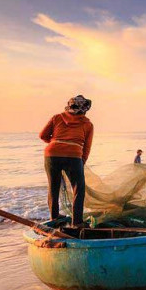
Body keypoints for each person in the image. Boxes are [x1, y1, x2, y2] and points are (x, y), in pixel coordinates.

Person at [39, 95, 94, 227]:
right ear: (85, 109)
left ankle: (54, 217)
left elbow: (42, 135)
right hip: (74, 156)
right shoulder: (87, 124)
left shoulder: (57, 117)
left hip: (52, 154)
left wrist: (55, 143)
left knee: (53, 187)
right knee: (78, 188)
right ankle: (77, 222)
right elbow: (86, 147)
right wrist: (82, 161)